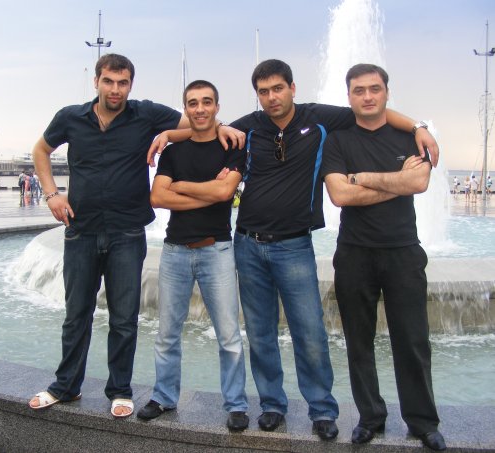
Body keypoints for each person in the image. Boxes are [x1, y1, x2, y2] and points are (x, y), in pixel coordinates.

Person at [148, 59, 439, 441]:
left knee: (310, 334)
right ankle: (272, 405)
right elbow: (203, 125)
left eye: (278, 89)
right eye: (264, 92)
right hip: (248, 244)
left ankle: (322, 410)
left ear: (292, 88)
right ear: (258, 95)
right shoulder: (249, 126)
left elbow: (370, 111)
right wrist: (168, 135)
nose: (272, 97)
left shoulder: (320, 119)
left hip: (295, 246)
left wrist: (418, 127)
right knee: (261, 334)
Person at [28, 54, 244, 417]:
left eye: (123, 82)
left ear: (130, 84)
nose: (116, 89)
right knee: (76, 315)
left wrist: (218, 127)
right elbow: (41, 150)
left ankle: (120, 390)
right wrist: (52, 194)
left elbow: (196, 122)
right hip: (81, 231)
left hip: (127, 233)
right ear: (96, 81)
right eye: (109, 81)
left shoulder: (145, 114)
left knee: (124, 319)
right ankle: (65, 386)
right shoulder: (70, 117)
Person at [322, 63, 446, 451]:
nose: (368, 96)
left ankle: (422, 422)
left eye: (374, 89)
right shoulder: (337, 140)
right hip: (354, 253)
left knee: (413, 340)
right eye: (359, 90)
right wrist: (398, 182)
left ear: (387, 93)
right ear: (349, 97)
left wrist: (361, 177)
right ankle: (371, 417)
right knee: (358, 342)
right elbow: (340, 195)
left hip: (403, 251)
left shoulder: (411, 137)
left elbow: (419, 182)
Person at [136, 80, 249, 431]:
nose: (200, 109)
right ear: (186, 109)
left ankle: (236, 404)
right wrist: (208, 192)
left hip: (217, 250)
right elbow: (158, 197)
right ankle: (163, 397)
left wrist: (181, 186)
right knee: (167, 333)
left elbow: (226, 192)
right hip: (175, 252)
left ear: (217, 107)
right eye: (193, 103)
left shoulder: (232, 146)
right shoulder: (173, 152)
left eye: (206, 102)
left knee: (229, 335)